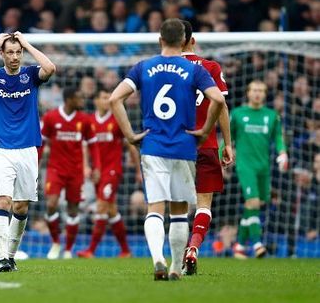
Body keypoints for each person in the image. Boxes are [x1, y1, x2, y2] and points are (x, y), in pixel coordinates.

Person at [109, 18, 224, 281]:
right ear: (184, 41)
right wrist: (205, 131)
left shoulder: (143, 67)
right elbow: (217, 99)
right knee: (179, 211)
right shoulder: (194, 69)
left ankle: (157, 260)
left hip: (153, 145)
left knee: (155, 208)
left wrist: (129, 135)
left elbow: (115, 98)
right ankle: (174, 266)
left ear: (160, 40)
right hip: (184, 146)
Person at [0, 32, 56, 272]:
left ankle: (10, 255)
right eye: (10, 52)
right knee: (3, 200)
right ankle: (1, 258)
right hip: (1, 149)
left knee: (21, 206)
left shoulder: (30, 75)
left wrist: (27, 44)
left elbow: (50, 68)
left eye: (18, 52)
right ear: (2, 54)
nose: (15, 57)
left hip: (29, 148)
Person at [180, 20, 234, 275]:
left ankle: (172, 258)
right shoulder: (210, 67)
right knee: (204, 204)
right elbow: (221, 105)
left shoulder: (162, 69)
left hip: (175, 146)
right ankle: (193, 246)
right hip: (207, 144)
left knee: (176, 206)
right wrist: (228, 143)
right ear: (193, 40)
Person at [76, 88, 140, 258]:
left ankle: (91, 250)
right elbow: (84, 147)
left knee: (102, 206)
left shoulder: (117, 120)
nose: (107, 101)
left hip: (113, 171)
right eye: (104, 97)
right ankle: (126, 250)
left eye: (108, 98)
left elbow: (131, 145)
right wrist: (86, 167)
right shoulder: (89, 121)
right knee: (111, 210)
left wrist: (138, 168)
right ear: (96, 100)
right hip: (97, 172)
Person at [40, 87, 101, 259]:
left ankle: (67, 249)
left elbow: (93, 145)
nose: (82, 101)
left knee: (73, 209)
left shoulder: (85, 120)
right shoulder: (51, 117)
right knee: (51, 204)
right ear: (69, 99)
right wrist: (35, 165)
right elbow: (41, 143)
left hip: (76, 171)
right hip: (55, 169)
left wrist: (96, 167)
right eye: (79, 97)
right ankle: (55, 243)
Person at [231, 80, 288, 259]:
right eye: (254, 90)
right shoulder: (238, 114)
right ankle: (257, 244)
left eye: (261, 91)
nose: (257, 93)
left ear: (265, 94)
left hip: (264, 166)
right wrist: (222, 155)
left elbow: (278, 137)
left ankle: (239, 246)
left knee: (255, 204)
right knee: (253, 202)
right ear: (248, 93)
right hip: (245, 165)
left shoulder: (271, 116)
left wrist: (283, 152)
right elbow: (228, 136)